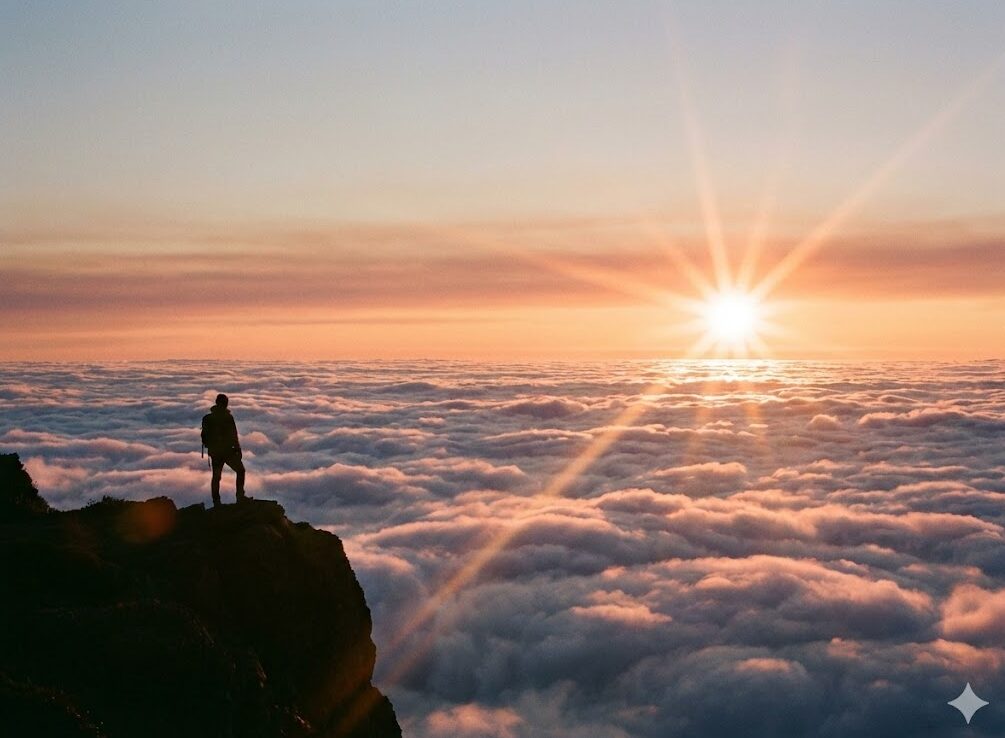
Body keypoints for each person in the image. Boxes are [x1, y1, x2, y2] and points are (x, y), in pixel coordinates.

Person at [201, 393, 246, 507]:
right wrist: (238, 449)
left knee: (216, 477)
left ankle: (216, 502)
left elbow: (204, 437)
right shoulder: (228, 417)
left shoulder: (208, 418)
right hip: (227, 451)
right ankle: (240, 497)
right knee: (240, 471)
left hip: (215, 452)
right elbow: (233, 435)